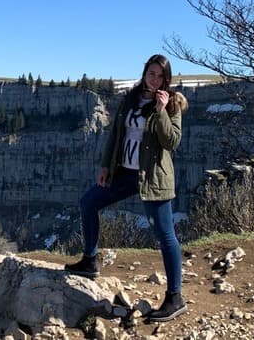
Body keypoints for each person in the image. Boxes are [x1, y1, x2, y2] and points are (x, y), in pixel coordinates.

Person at [65, 54, 189, 322]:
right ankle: (90, 260)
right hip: (124, 173)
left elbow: (172, 142)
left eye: (160, 76)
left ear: (167, 79)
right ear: (145, 73)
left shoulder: (172, 104)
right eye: (151, 74)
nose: (155, 79)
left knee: (165, 234)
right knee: (88, 202)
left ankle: (175, 297)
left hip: (153, 177)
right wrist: (105, 166)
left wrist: (160, 111)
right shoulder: (131, 98)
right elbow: (116, 135)